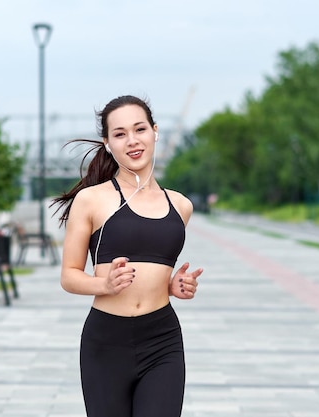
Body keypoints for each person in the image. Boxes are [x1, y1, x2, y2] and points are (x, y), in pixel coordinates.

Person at [51, 95, 203, 417]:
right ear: (107, 143)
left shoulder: (181, 206)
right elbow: (69, 275)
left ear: (155, 132)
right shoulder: (91, 200)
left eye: (139, 129)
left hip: (162, 340)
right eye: (120, 134)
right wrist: (103, 285)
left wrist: (172, 285)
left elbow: (157, 265)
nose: (132, 141)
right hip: (106, 343)